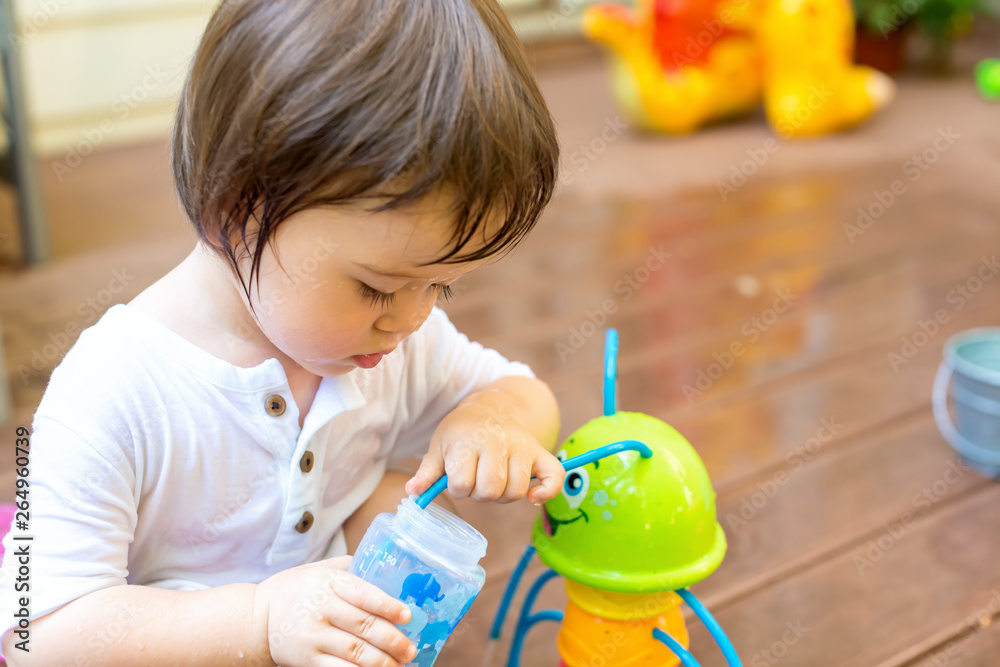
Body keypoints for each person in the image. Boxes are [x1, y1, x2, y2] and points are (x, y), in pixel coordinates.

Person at [0, 1, 564, 665]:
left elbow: (523, 392)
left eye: (441, 284)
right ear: (232, 205)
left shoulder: (390, 345)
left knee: (390, 498)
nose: (413, 318)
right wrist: (260, 618)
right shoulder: (111, 390)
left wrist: (492, 421)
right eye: (376, 287)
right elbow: (37, 635)